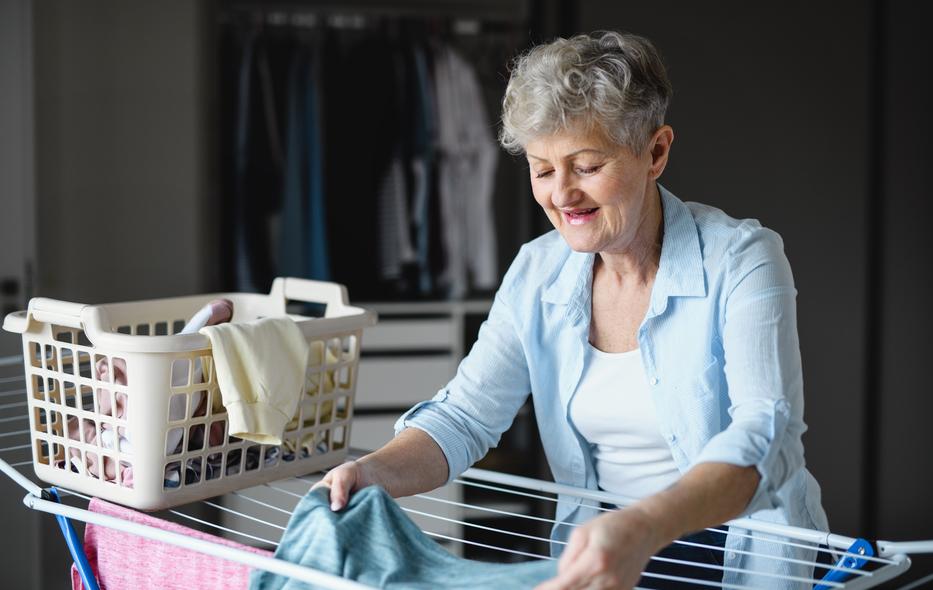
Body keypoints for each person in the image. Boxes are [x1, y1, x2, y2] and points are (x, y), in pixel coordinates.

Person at [315, 31, 828, 589]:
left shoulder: (742, 259)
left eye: (585, 166)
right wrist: (374, 472)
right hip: (607, 558)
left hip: (738, 560)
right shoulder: (537, 273)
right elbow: (464, 417)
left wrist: (644, 526)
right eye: (542, 169)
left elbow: (765, 435)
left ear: (655, 152)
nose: (561, 194)